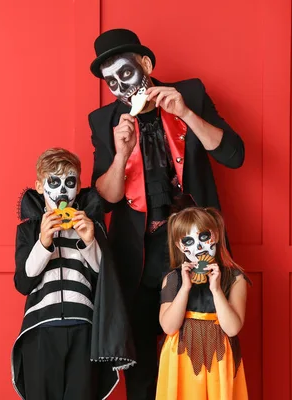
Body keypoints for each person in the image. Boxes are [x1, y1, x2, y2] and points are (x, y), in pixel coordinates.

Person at [88, 28, 245, 400]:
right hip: (138, 258)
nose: (120, 86)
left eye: (125, 73)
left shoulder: (189, 93)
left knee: (203, 353)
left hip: (195, 248)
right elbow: (105, 200)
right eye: (111, 81)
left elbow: (233, 155)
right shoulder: (103, 121)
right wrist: (121, 154)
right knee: (142, 364)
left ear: (146, 63)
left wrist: (186, 114)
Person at [11, 148, 134, 400]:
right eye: (53, 182)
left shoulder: (91, 226)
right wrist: (43, 242)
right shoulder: (29, 230)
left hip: (84, 329)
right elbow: (23, 282)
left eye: (70, 182)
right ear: (39, 186)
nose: (62, 190)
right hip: (40, 329)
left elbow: (104, 280)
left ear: (78, 188)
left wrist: (90, 242)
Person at [157, 207, 249, 399]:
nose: (198, 247)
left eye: (203, 237)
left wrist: (216, 290)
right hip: (181, 356)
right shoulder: (173, 278)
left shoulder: (235, 278)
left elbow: (232, 328)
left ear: (215, 235)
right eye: (188, 241)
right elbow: (168, 327)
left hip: (220, 356)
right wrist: (185, 288)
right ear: (180, 246)